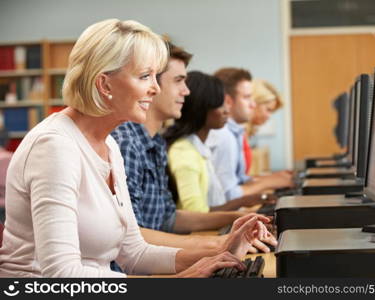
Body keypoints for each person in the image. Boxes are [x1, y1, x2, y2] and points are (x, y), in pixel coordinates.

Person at [0, 19, 272, 278]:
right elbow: (62, 275)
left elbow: (133, 251)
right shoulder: (54, 147)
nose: (155, 88)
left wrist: (223, 251)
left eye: (156, 77)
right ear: (104, 84)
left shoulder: (109, 144)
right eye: (145, 76)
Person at [111, 44, 275, 252]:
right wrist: (217, 244)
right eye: (179, 81)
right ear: (151, 85)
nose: (186, 91)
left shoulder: (155, 144)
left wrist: (238, 218)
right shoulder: (127, 143)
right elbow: (131, 237)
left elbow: (168, 218)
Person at [164, 71, 272, 215]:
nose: (226, 111)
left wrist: (244, 201)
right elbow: (197, 213)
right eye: (220, 105)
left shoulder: (199, 147)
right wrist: (242, 211)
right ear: (202, 109)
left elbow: (210, 206)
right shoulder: (184, 151)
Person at [207, 68, 293, 201]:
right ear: (228, 101)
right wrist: (268, 182)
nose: (252, 104)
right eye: (247, 97)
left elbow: (240, 179)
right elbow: (229, 195)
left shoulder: (234, 133)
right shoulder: (224, 135)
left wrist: (271, 179)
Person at [244, 79, 284, 174]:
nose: (269, 116)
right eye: (268, 110)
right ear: (254, 103)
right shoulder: (236, 133)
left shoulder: (245, 133)